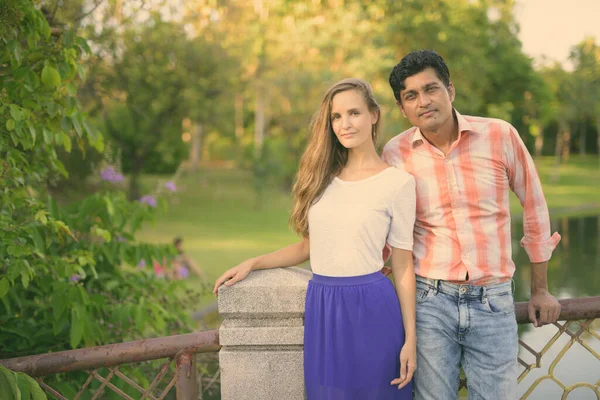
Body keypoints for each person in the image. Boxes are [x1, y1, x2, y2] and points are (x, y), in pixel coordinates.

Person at [213, 78, 417, 399]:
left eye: (354, 113)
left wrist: (410, 339)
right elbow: (309, 247)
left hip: (373, 308)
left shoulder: (398, 184)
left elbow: (404, 266)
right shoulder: (323, 180)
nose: (345, 124)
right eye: (336, 117)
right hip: (323, 306)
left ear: (374, 115)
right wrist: (253, 263)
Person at [382, 49, 562, 400]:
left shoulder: (499, 135)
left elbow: (535, 208)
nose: (424, 101)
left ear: (450, 90)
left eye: (431, 89)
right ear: (403, 108)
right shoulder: (395, 154)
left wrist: (539, 289)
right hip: (429, 301)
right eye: (411, 96)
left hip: (493, 300)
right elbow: (390, 235)